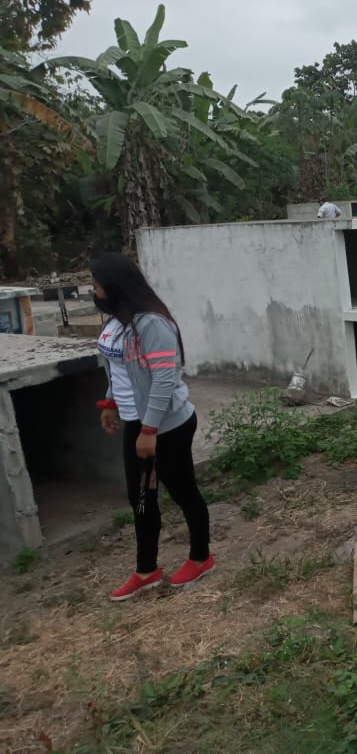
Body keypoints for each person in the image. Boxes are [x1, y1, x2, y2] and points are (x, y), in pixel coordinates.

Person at [92, 253, 213, 601]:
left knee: (182, 491)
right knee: (141, 497)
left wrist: (149, 431)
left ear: (114, 286)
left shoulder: (152, 324)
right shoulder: (117, 323)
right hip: (136, 422)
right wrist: (110, 402)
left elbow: (163, 379)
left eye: (97, 285)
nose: (94, 291)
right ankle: (146, 570)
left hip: (167, 426)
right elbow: (118, 369)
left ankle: (201, 558)